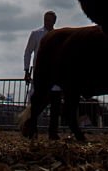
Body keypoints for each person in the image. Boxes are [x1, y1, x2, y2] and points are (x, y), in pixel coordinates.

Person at [23, 10, 62, 139]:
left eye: (49, 20)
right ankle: (31, 129)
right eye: (45, 19)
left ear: (54, 21)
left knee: (55, 104)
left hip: (55, 74)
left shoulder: (58, 35)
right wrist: (26, 70)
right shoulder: (36, 34)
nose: (47, 22)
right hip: (40, 74)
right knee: (35, 103)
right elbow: (28, 51)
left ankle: (53, 132)